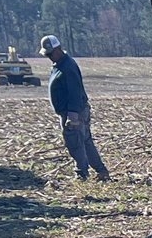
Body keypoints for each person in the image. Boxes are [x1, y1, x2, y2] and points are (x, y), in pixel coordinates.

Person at [41, 35, 109, 182]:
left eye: (50, 54)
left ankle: (82, 174)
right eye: (47, 55)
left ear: (58, 49)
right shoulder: (60, 65)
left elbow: (74, 91)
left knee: (75, 143)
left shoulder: (67, 66)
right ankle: (101, 171)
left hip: (73, 112)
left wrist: (72, 115)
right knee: (85, 141)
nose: (49, 57)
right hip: (72, 111)